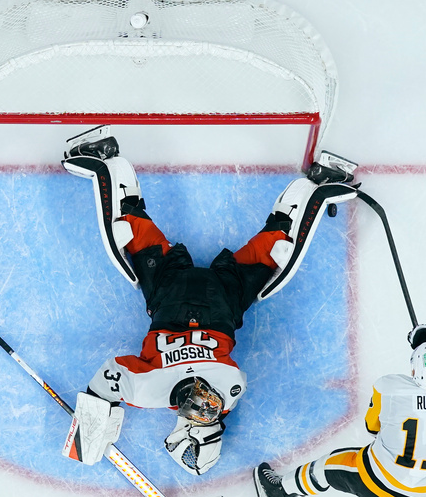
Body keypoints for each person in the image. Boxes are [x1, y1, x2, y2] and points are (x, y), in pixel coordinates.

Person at [59, 126, 359, 476]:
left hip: (219, 303)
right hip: (184, 301)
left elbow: (214, 401)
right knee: (132, 234)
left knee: (275, 252)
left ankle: (317, 187)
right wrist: (90, 434)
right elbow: (109, 376)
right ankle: (105, 160)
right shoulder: (148, 392)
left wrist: (102, 419)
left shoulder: (230, 390)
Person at [253, 324, 426, 497]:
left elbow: (371, 426)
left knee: (329, 466)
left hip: (383, 484)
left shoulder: (390, 387)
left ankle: (278, 492)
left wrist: (424, 344)